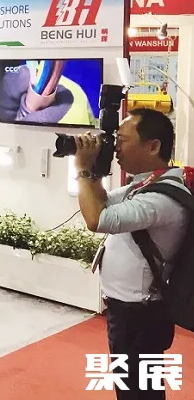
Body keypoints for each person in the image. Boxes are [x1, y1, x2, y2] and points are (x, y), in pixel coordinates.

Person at [74, 108, 189, 400]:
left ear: (153, 146)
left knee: (138, 391)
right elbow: (101, 201)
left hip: (140, 316)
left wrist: (83, 169)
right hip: (130, 311)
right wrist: (95, 168)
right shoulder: (145, 184)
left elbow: (97, 219)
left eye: (122, 141)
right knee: (137, 387)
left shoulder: (161, 198)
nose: (116, 148)